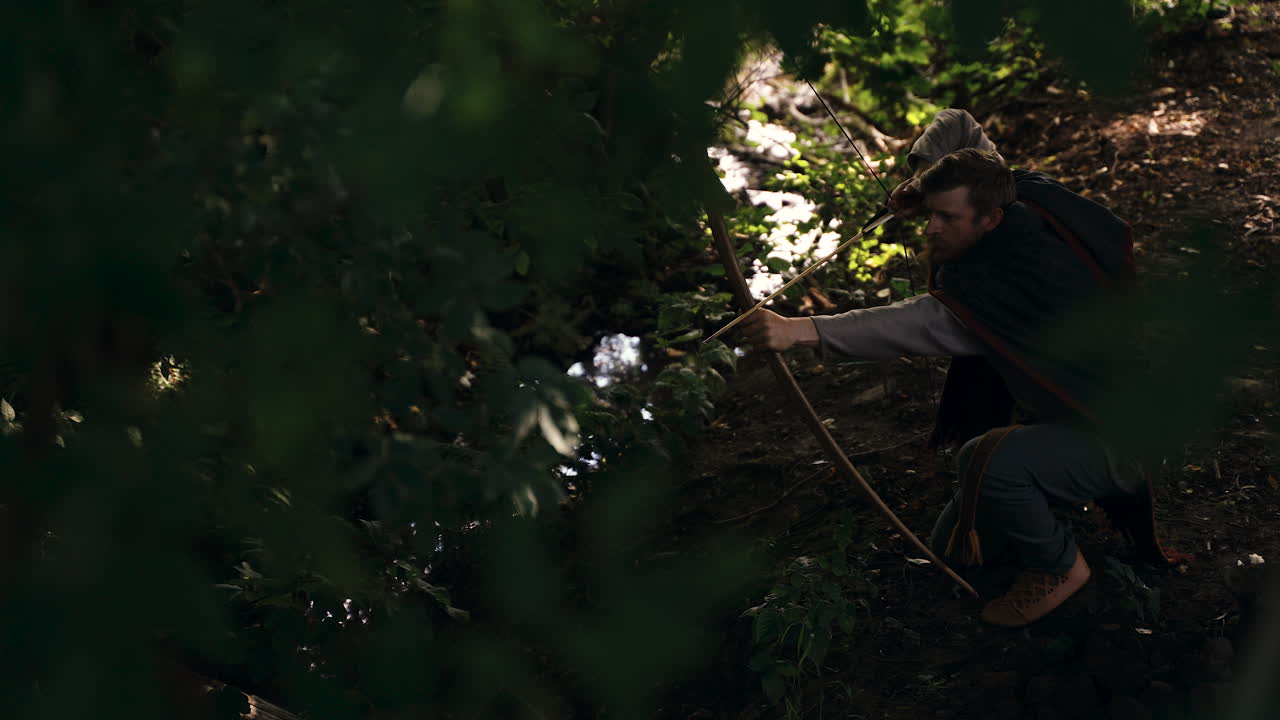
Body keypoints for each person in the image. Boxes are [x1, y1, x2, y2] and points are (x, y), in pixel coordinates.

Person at [737, 109, 1179, 627]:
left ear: (987, 219)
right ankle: (1044, 492)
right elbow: (958, 123)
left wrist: (799, 331)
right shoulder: (1014, 194)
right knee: (951, 541)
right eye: (931, 212)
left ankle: (1061, 566)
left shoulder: (1008, 276)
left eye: (947, 217)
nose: (931, 226)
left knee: (990, 461)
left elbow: (918, 324)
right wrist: (923, 185)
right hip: (1078, 409)